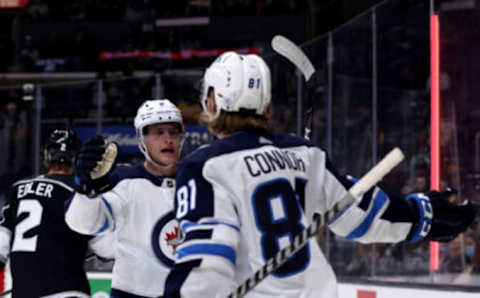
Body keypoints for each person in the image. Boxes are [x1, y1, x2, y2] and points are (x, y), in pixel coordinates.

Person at [163, 51, 478, 298]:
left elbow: (207, 262)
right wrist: (421, 215)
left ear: (214, 100)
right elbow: (364, 216)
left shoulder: (204, 166)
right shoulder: (305, 154)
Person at [66, 99, 184, 297]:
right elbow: (83, 224)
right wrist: (86, 190)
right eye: (158, 132)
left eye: (173, 131)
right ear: (141, 140)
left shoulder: (198, 178)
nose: (168, 139)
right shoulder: (121, 180)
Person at [0, 129, 112, 298]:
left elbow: (2, 242)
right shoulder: (79, 193)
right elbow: (106, 249)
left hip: (24, 292)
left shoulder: (18, 189)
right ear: (76, 158)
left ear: (46, 156)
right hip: (68, 290)